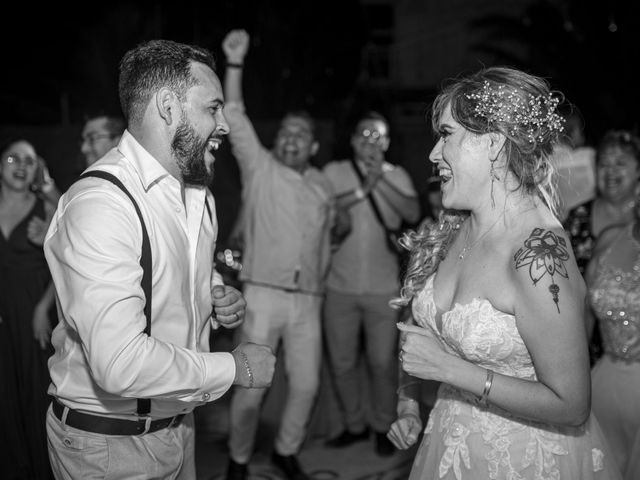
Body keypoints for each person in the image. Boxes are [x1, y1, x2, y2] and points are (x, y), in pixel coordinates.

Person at [43, 39, 276, 479]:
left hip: (180, 426)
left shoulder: (198, 194)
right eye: (213, 108)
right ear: (169, 107)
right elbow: (120, 364)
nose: (224, 124)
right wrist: (235, 366)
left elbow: (186, 271)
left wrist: (214, 294)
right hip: (108, 447)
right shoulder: (100, 204)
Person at [386, 66, 622, 479]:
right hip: (448, 443)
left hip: (523, 460)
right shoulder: (454, 225)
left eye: (446, 135)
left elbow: (571, 404)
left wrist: (451, 371)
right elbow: (420, 335)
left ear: (493, 142)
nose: (433, 154)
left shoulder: (539, 255)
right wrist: (408, 403)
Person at [221, 29, 337, 480]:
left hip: (309, 298)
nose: (290, 138)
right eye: (285, 132)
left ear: (312, 146)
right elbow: (234, 113)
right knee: (251, 386)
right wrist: (235, 63)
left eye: (300, 134)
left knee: (306, 386)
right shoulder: (259, 165)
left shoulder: (324, 184)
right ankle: (239, 458)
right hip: (262, 294)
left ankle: (287, 451)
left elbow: (330, 236)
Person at [321, 111, 420, 456]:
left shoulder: (398, 175)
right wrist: (363, 188)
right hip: (338, 285)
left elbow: (410, 212)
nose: (370, 140)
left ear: (388, 143)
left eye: (378, 136)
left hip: (383, 289)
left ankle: (381, 424)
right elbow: (324, 208)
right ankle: (354, 424)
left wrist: (379, 180)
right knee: (343, 362)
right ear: (352, 139)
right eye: (363, 133)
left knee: (382, 362)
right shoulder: (334, 172)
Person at [584, 130, 640, 480]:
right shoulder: (608, 239)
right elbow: (585, 314)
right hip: (603, 379)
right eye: (604, 163)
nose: (612, 171)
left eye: (622, 163)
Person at [1, 138, 57, 479]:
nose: (21, 165)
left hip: (36, 310)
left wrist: (43, 308)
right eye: (12, 158)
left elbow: (66, 264)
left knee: (36, 393)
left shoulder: (46, 207)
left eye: (29, 160)